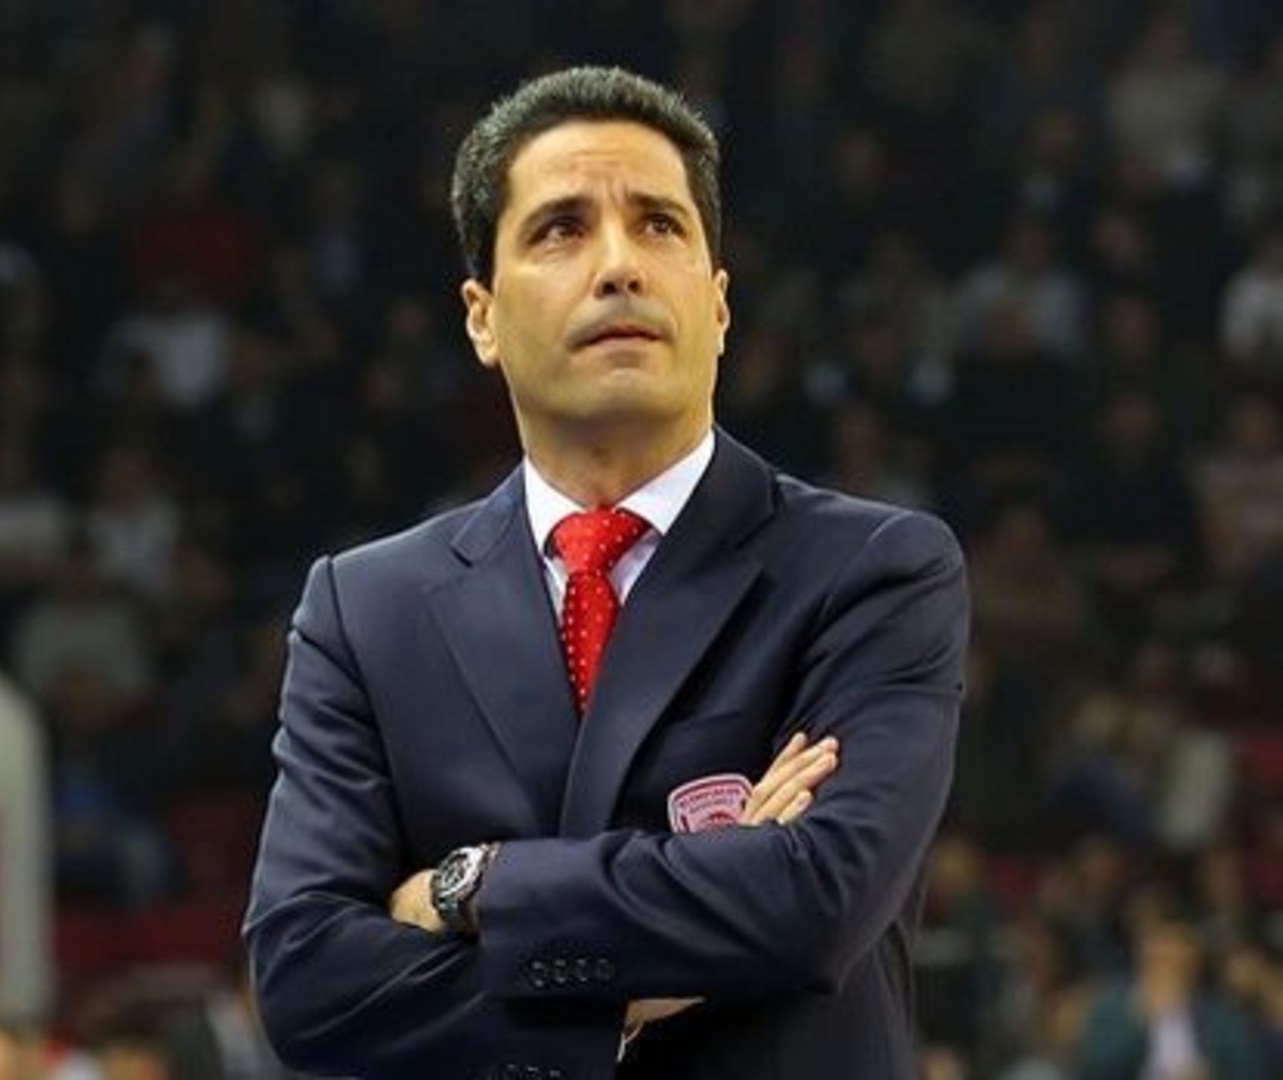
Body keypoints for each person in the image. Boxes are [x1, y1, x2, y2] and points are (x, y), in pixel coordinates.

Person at [243, 66, 971, 1079]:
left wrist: (469, 887)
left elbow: (814, 901)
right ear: (481, 316)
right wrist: (656, 964)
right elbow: (307, 979)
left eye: (660, 225)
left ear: (719, 304)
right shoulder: (365, 610)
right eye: (562, 229)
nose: (620, 264)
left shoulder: (874, 570)